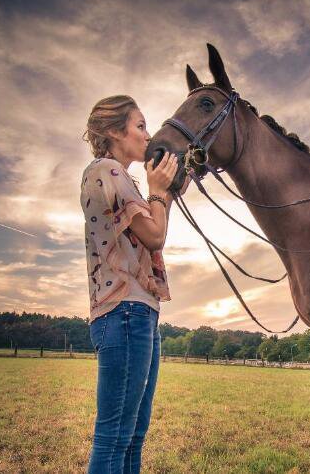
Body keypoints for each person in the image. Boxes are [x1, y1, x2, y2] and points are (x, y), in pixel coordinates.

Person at [80, 95, 189, 473]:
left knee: (132, 437)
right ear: (114, 132)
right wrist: (157, 190)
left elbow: (153, 229)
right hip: (126, 312)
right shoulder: (107, 170)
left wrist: (166, 191)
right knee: (113, 438)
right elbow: (156, 236)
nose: (147, 136)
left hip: (139, 313)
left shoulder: (121, 178)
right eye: (140, 126)